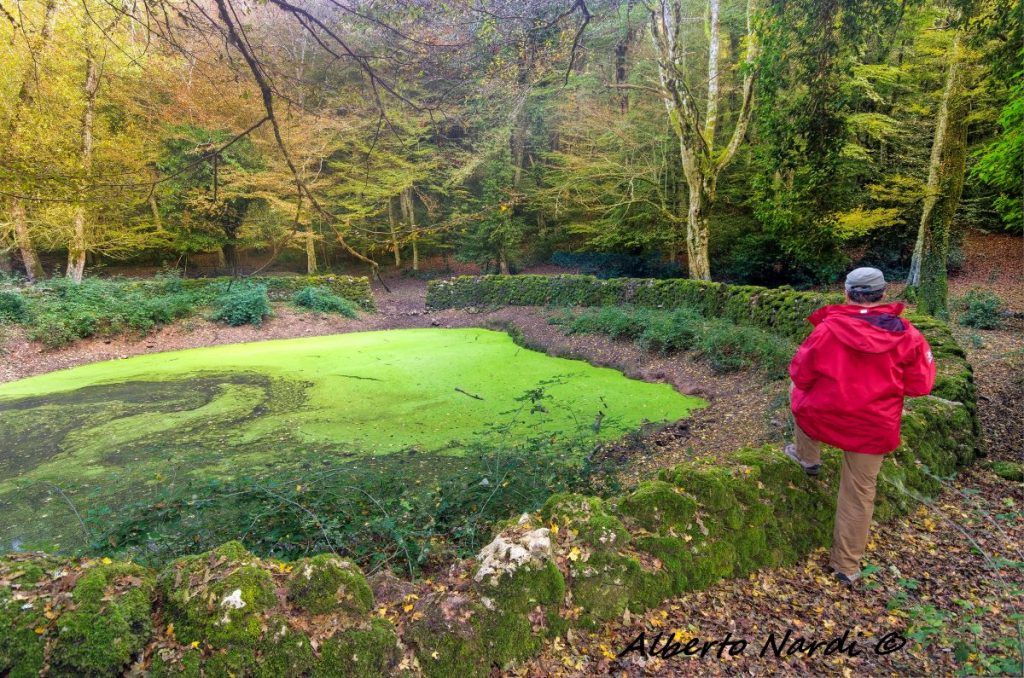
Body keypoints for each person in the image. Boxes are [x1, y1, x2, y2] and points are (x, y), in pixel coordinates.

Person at [786, 267, 936, 585]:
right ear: (883, 294)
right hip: (873, 426)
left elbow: (800, 374)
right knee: (859, 494)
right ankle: (846, 566)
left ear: (847, 293)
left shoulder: (827, 330)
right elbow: (921, 386)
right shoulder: (907, 334)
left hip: (827, 416)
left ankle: (808, 457)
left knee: (795, 391)